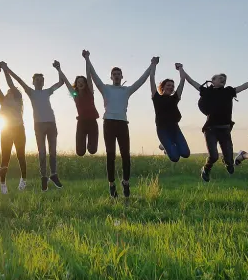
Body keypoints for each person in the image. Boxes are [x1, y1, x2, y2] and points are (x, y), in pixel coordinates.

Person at [83, 50, 157, 198]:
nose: (116, 76)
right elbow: (92, 74)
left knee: (125, 155)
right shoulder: (105, 88)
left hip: (123, 124)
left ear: (122, 76)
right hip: (109, 124)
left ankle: (126, 182)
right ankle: (111, 185)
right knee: (110, 155)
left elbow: (142, 80)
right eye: (114, 74)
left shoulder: (127, 90)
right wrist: (87, 58)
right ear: (111, 77)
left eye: (119, 74)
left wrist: (152, 65)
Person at [180, 67, 248, 182]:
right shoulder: (206, 91)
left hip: (225, 129)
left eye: (224, 79)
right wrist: (181, 69)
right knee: (214, 156)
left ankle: (228, 163)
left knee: (229, 159)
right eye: (220, 78)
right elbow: (191, 81)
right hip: (210, 129)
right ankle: (206, 169)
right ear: (213, 81)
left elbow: (242, 87)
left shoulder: (228, 91)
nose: (223, 80)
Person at [0, 61, 65, 190]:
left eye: (41, 80)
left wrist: (58, 69)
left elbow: (61, 82)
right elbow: (18, 80)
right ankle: (44, 177)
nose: (39, 82)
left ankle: (54, 174)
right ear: (33, 82)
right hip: (39, 126)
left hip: (51, 124)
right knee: (42, 152)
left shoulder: (47, 91)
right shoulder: (30, 92)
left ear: (43, 82)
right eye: (37, 80)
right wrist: (7, 69)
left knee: (53, 152)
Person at [0, 64, 29, 193]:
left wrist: (5, 70)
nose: (10, 91)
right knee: (5, 158)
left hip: (19, 130)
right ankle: (3, 184)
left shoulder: (18, 99)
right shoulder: (3, 101)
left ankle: (24, 180)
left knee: (21, 155)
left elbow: (11, 84)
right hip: (6, 131)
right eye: (9, 91)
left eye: (12, 90)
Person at [55, 64, 99, 156]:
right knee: (80, 152)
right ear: (76, 85)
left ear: (86, 84)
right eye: (78, 82)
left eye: (82, 82)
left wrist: (86, 59)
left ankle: (90, 144)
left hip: (92, 123)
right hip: (81, 123)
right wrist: (59, 69)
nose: (80, 83)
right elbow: (66, 82)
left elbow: (88, 75)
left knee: (92, 150)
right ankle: (83, 145)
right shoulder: (75, 95)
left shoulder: (90, 92)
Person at [149, 64, 190, 162]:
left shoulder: (175, 98)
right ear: (162, 87)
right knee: (175, 158)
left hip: (175, 128)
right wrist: (154, 64)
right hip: (162, 130)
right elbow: (151, 77)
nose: (170, 87)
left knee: (185, 154)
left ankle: (166, 144)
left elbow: (183, 80)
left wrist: (180, 68)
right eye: (168, 85)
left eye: (172, 86)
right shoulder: (156, 97)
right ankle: (165, 145)